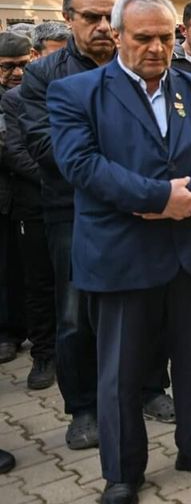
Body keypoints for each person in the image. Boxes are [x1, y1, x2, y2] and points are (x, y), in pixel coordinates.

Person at [48, 0, 191, 503]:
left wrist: (188, 197)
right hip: (123, 250)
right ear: (117, 36)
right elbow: (81, 165)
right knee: (120, 368)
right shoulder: (77, 93)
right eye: (144, 38)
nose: (158, 48)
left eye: (166, 37)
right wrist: (161, 197)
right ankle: (123, 473)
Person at [22, 0, 174, 451]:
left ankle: (151, 388)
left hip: (150, 209)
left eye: (111, 15)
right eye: (91, 17)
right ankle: (84, 408)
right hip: (75, 211)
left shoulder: (148, 66)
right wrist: (129, 171)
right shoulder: (46, 75)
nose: (104, 27)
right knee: (77, 316)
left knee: (152, 304)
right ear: (69, 18)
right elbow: (49, 148)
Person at [3, 23, 67, 389]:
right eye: (54, 53)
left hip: (73, 207)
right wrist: (66, 177)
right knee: (40, 283)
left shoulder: (77, 92)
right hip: (35, 204)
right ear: (38, 55)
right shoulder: (15, 99)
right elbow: (16, 153)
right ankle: (45, 355)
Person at [0, 33, 37, 371]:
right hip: (9, 193)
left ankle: (17, 327)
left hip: (22, 199)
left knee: (20, 269)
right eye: (7, 67)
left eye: (22, 65)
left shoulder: (31, 96)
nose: (16, 73)